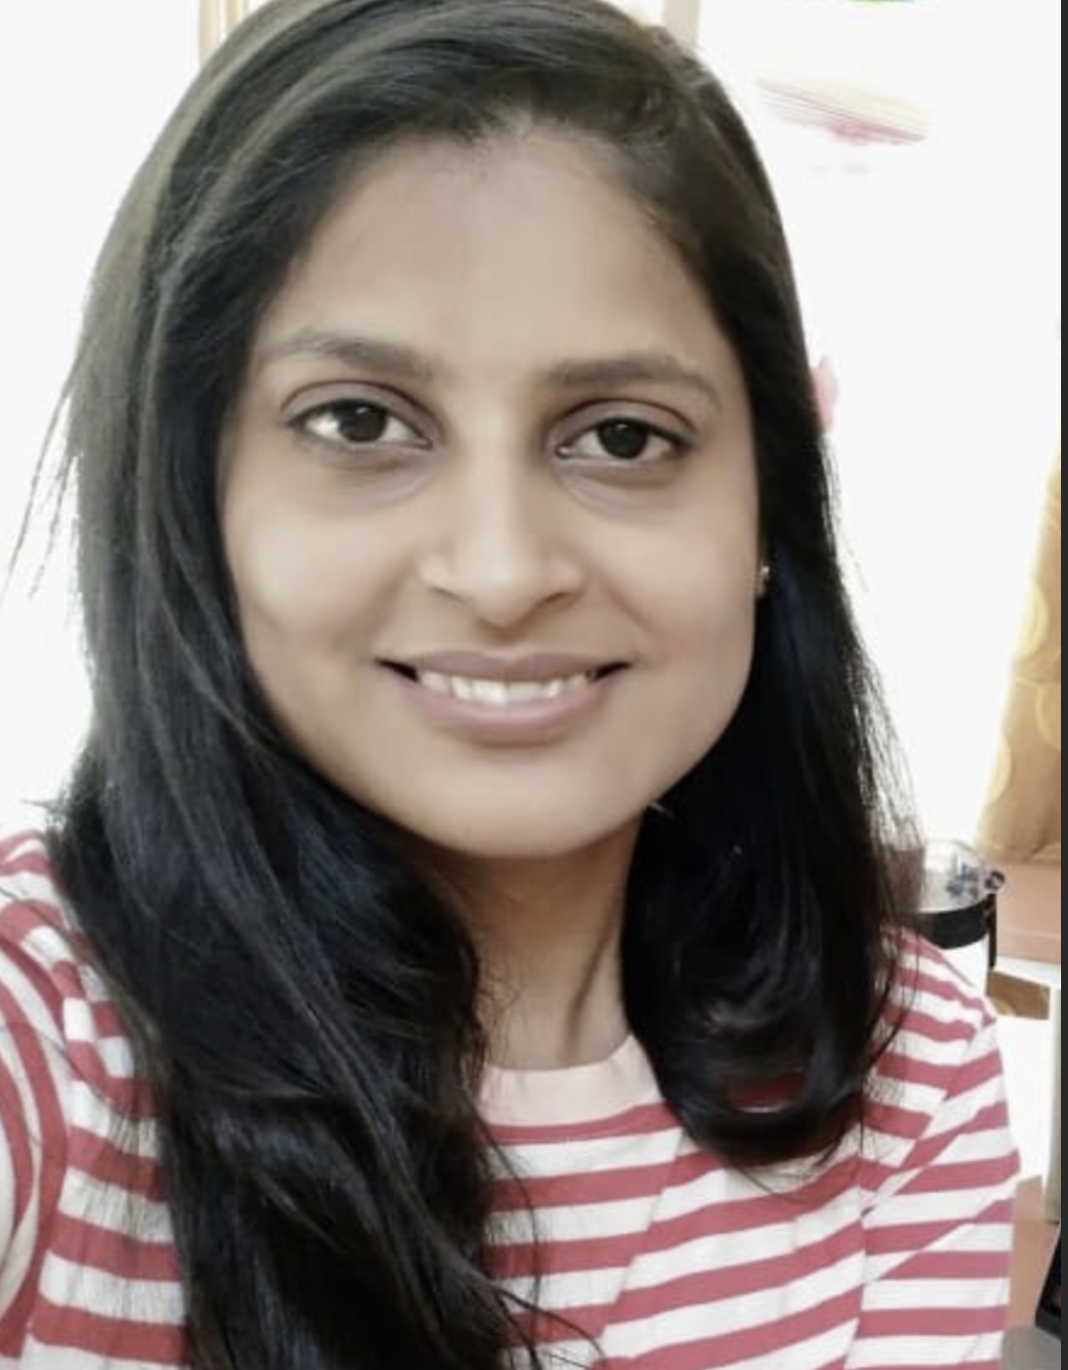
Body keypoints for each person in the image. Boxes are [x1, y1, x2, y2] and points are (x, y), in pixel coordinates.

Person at [0, 1, 1019, 1367]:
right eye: (358, 420)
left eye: (622, 436)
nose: (499, 571)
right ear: (195, 493)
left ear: (768, 513)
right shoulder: (52, 1038)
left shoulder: (913, 1066)